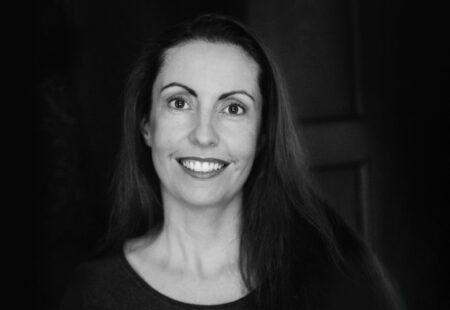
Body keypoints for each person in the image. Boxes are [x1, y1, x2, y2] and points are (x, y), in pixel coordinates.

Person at [60, 14, 403, 310]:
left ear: (262, 135)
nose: (204, 135)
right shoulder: (93, 293)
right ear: (146, 125)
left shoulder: (337, 277)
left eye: (234, 108)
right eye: (179, 103)